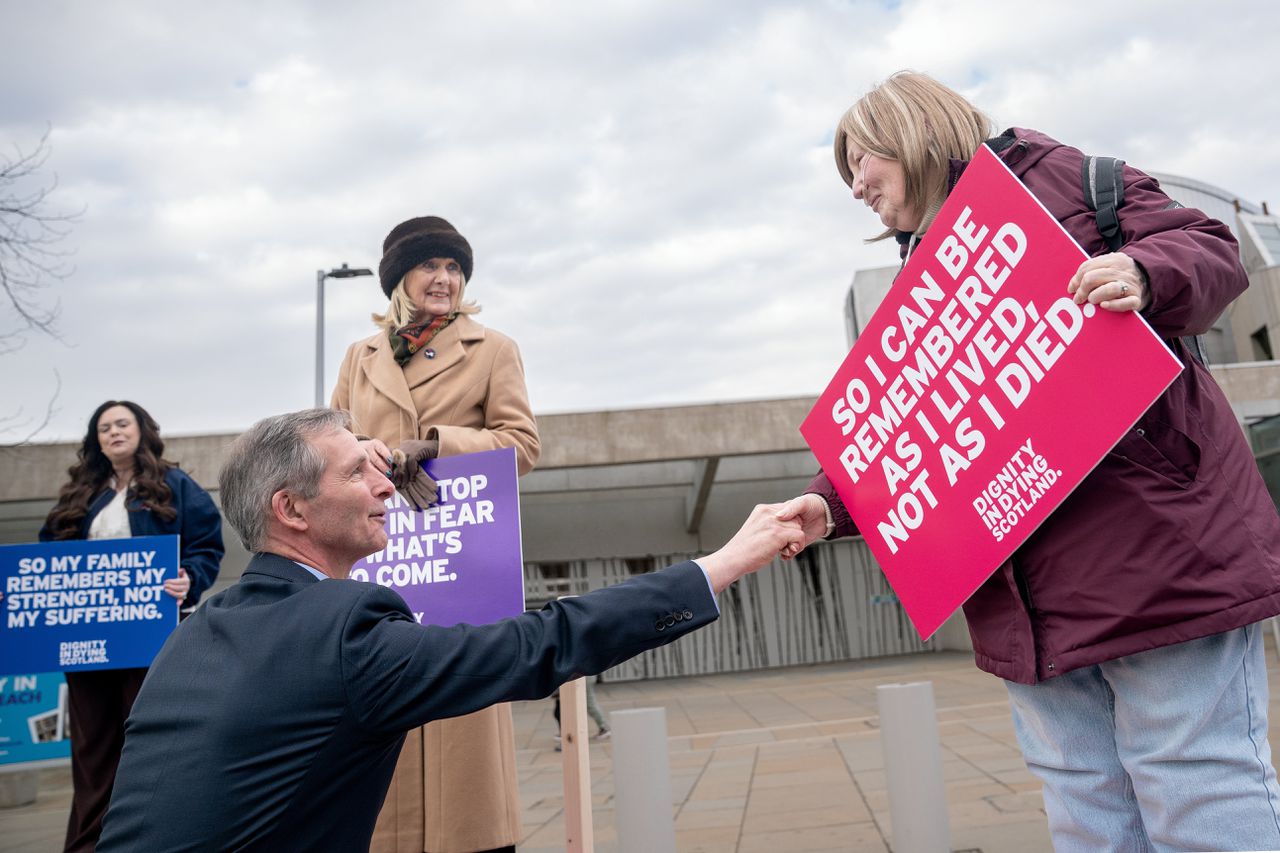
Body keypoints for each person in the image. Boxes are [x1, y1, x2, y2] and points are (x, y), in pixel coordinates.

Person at [776, 70, 1280, 852]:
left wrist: (1147, 274)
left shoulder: (1074, 183)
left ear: (911, 129)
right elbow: (909, 433)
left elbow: (1210, 250)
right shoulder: (920, 283)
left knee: (1196, 790)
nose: (854, 187)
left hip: (1153, 560)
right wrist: (828, 503)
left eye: (860, 160)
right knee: (1087, 816)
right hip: (1027, 605)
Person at [95, 408, 802, 851]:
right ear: (293, 509)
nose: (385, 485)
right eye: (356, 473)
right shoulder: (348, 631)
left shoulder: (192, 633)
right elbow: (540, 643)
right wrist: (721, 564)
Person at [331, 214, 539, 853]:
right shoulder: (358, 357)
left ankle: (474, 838)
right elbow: (331, 442)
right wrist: (362, 456)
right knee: (387, 688)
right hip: (388, 547)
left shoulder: (493, 348)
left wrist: (439, 444)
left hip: (460, 545)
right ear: (400, 279)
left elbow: (522, 444)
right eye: (431, 266)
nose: (444, 279)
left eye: (454, 268)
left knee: (461, 700)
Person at [37, 400, 224, 852]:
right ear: (95, 440)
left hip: (149, 641)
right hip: (86, 644)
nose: (114, 432)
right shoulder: (78, 495)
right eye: (104, 427)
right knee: (92, 754)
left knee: (147, 745)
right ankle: (87, 845)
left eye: (122, 423)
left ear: (142, 430)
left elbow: (206, 546)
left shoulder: (175, 485)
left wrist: (189, 579)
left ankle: (152, 839)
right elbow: (43, 560)